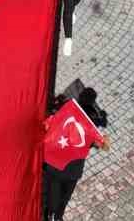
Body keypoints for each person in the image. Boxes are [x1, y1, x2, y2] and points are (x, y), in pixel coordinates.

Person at [42, 91, 109, 220]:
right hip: (73, 169)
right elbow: (105, 146)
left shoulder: (66, 109)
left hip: (55, 164)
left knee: (53, 196)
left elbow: (47, 125)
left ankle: (50, 215)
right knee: (64, 198)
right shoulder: (91, 124)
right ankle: (57, 216)